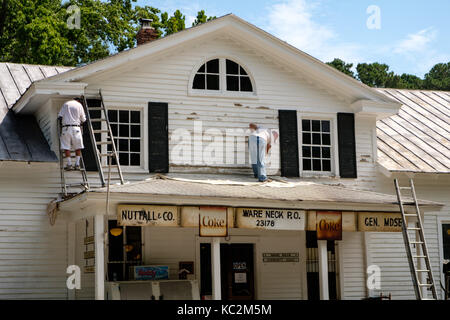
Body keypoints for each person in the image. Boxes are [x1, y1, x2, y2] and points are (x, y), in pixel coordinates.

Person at [58, 98, 86, 170]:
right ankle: (77, 164)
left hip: (66, 128)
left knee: (66, 146)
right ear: (79, 101)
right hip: (76, 128)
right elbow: (84, 119)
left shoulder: (66, 104)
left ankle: (69, 164)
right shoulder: (79, 105)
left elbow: (60, 116)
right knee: (78, 147)